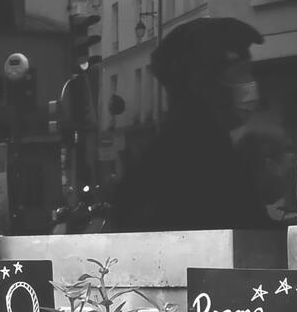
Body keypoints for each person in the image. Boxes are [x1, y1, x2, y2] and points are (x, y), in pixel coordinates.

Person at [113, 16, 287, 231]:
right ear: (203, 85)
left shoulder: (179, 150)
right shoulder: (202, 158)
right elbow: (248, 235)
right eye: (240, 73)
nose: (250, 84)